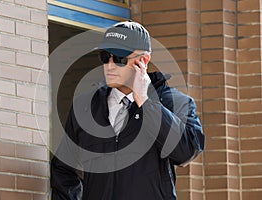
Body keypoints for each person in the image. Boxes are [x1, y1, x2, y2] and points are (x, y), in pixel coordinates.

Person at [51, 21, 205, 200]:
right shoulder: (86, 106)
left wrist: (147, 104)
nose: (110, 65)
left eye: (119, 58)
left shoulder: (174, 102)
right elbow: (63, 169)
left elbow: (186, 151)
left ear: (144, 60)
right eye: (105, 56)